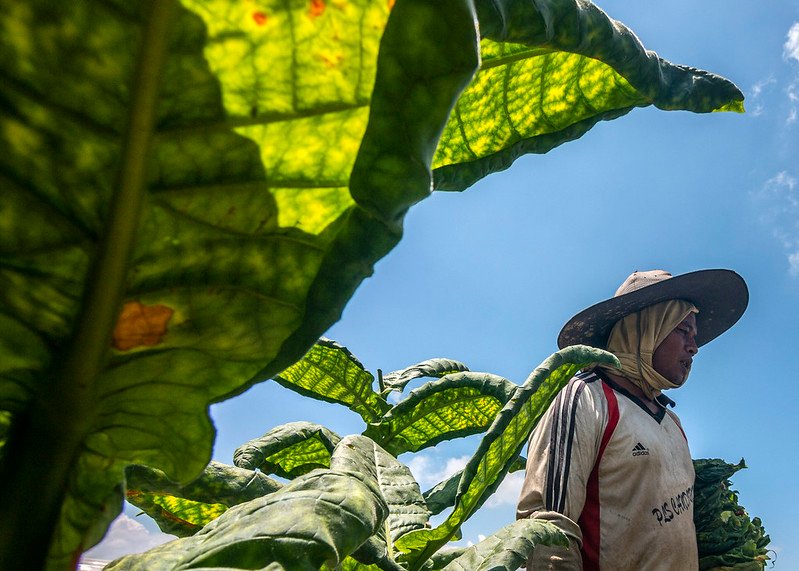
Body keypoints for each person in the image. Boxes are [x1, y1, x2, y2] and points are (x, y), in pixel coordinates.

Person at [516, 269, 748, 570]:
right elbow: (545, 526)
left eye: (695, 335)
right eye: (683, 330)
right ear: (645, 329)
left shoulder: (672, 423)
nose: (694, 346)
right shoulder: (587, 398)